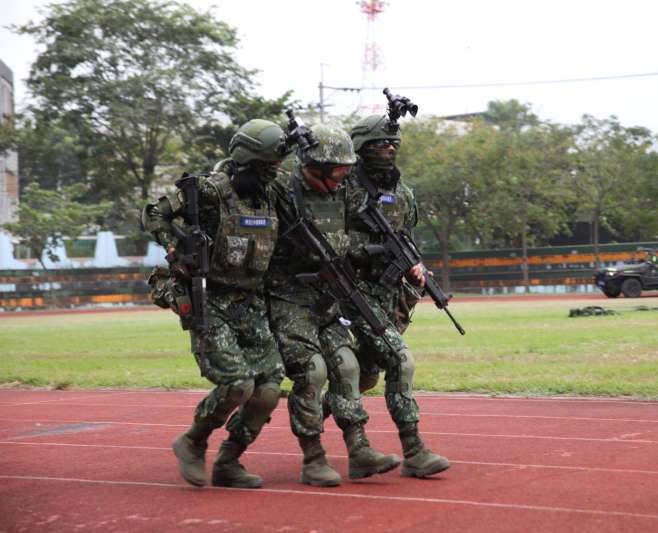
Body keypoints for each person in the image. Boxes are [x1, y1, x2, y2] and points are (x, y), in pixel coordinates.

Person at [141, 119, 287, 488]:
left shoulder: (272, 194)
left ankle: (229, 460)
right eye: (266, 166)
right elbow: (154, 213)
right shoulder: (211, 191)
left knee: (269, 387)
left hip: (250, 302)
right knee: (238, 384)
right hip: (212, 298)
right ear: (247, 160)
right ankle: (193, 441)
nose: (273, 173)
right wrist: (175, 245)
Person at [267, 122, 400, 487]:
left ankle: (359, 451)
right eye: (338, 170)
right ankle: (313, 458)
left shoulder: (343, 192)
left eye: (347, 169)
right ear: (315, 167)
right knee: (312, 372)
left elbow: (375, 218)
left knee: (348, 365)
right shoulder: (280, 190)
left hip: (327, 295)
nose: (345, 176)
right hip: (287, 296)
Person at [339, 114, 449, 478]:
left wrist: (415, 264)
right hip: (349, 290)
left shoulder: (403, 193)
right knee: (401, 360)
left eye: (394, 143)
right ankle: (414, 450)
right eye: (381, 143)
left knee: (365, 373)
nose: (390, 148)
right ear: (361, 147)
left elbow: (407, 237)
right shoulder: (342, 189)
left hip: (389, 293)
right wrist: (373, 249)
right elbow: (325, 239)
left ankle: (313, 406)